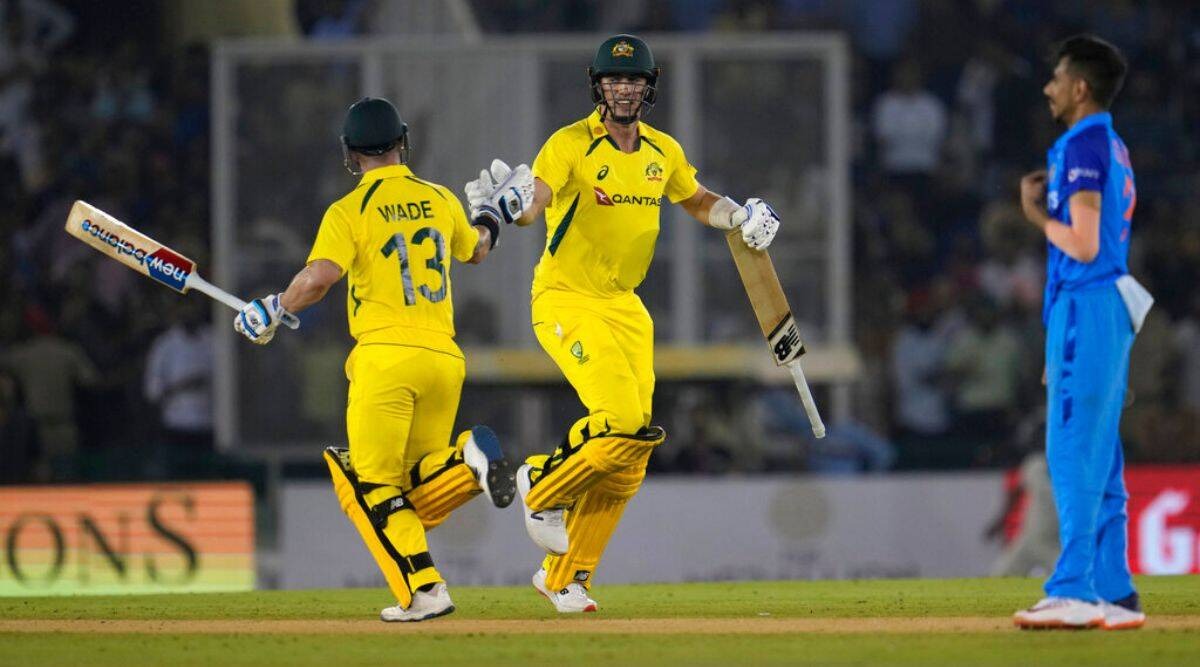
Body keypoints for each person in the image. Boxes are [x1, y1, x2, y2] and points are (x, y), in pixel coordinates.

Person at [465, 34, 781, 613]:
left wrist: (741, 215)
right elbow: (534, 203)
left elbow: (695, 199)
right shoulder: (569, 143)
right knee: (619, 420)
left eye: (634, 80)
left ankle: (564, 577)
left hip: (625, 305)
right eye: (614, 80)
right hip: (566, 299)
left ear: (648, 87)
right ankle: (541, 482)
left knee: (632, 455)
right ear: (598, 87)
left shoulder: (663, 150)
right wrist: (505, 211)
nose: (624, 89)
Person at [233, 97, 523, 622]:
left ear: (350, 154)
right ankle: (464, 468)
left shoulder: (349, 210)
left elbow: (319, 278)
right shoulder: (438, 198)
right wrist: (492, 216)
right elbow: (477, 248)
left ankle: (427, 587)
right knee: (416, 490)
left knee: (374, 487)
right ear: (402, 142)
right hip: (444, 357)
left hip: (385, 359)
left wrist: (274, 308)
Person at [1011, 35, 1148, 631]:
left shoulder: (1083, 144)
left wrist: (1037, 217)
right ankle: (1115, 591)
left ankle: (1073, 589)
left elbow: (1085, 244)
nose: (1049, 88)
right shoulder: (1112, 145)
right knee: (1102, 452)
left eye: (1057, 78)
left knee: (1071, 451)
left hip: (1087, 302)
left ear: (1080, 87)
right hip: (1105, 308)